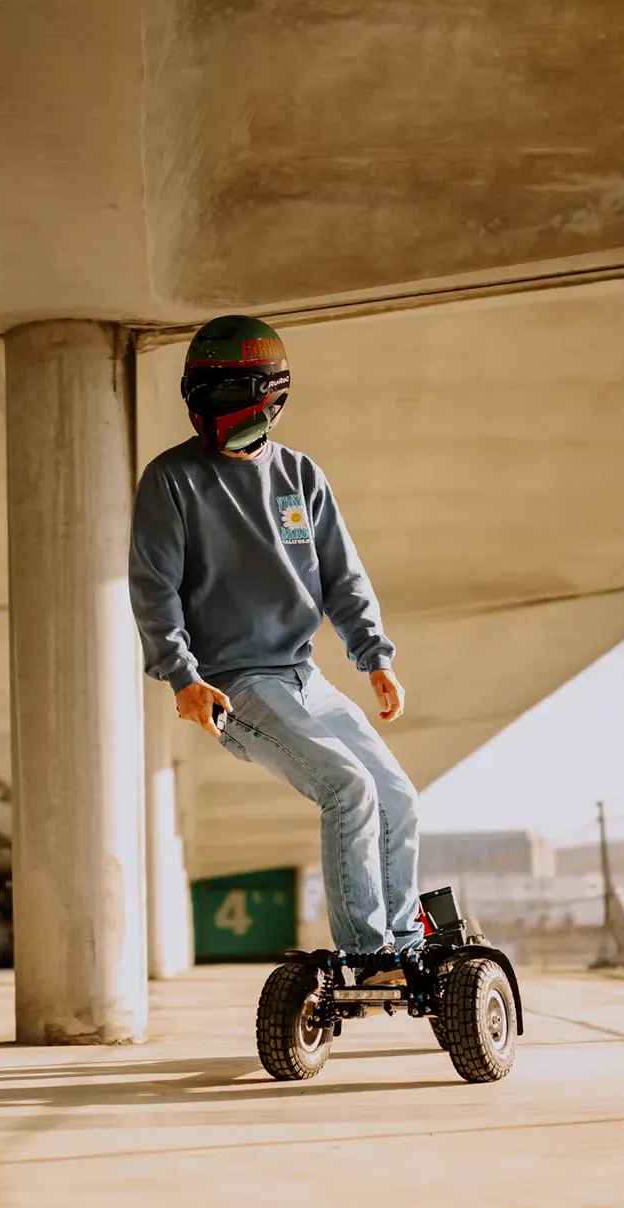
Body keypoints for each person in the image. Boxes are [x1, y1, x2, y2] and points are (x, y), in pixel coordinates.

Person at [128, 315, 421, 986]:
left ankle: (404, 944)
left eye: (229, 398)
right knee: (347, 789)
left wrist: (373, 655)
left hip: (304, 676)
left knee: (397, 794)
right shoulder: (171, 481)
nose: (213, 414)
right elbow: (154, 590)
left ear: (270, 395)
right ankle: (369, 956)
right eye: (202, 398)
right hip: (236, 683)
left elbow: (342, 575)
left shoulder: (299, 477)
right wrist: (182, 677)